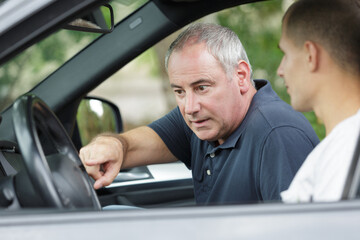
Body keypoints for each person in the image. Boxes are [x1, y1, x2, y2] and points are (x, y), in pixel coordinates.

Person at [80, 23, 319, 205]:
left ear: (241, 76)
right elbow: (134, 146)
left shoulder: (277, 134)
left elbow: (299, 231)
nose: (189, 107)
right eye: (179, 91)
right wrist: (113, 145)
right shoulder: (204, 119)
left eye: (201, 87)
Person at [278, 0, 360, 203]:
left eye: (285, 54)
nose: (281, 70)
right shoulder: (344, 144)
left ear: (310, 55)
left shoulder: (345, 151)